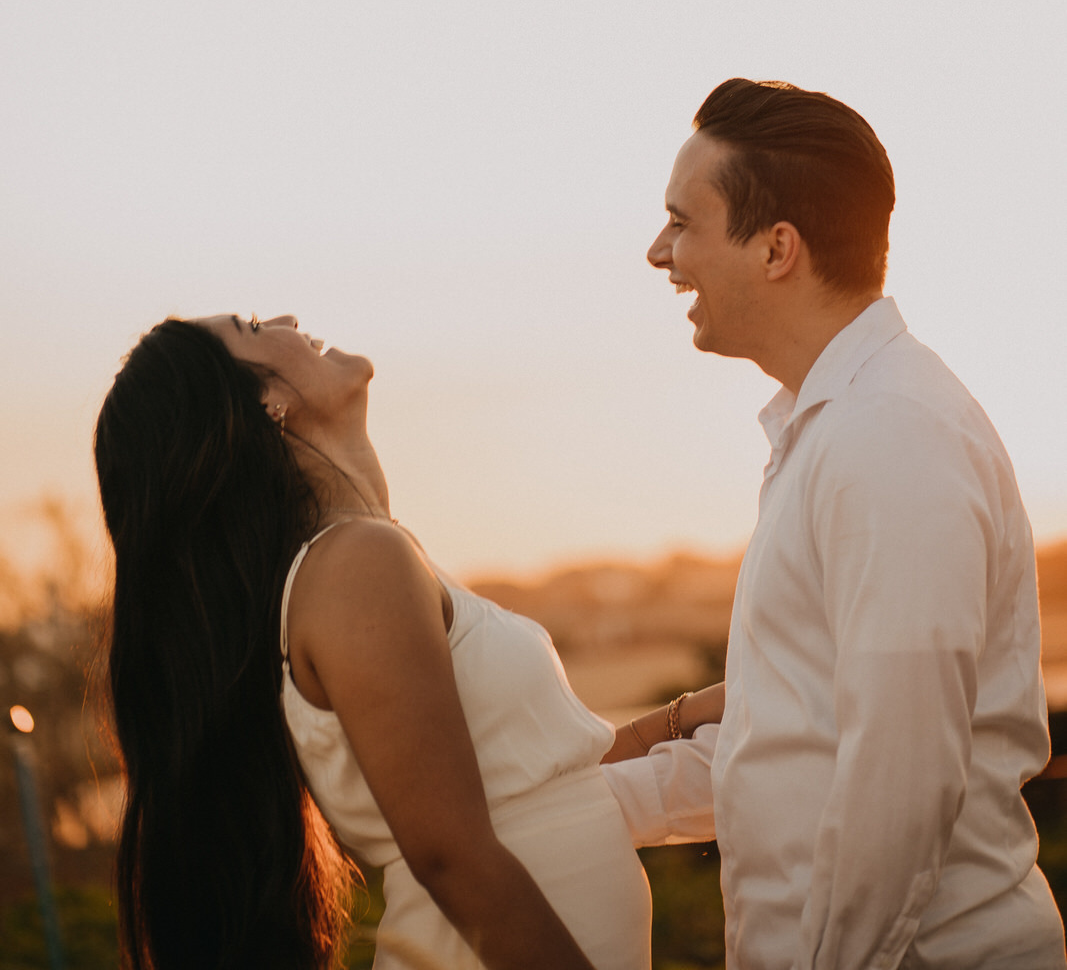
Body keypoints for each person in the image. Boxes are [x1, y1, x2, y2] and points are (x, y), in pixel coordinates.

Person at [93, 310, 723, 970]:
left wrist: (679, 718)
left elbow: (531, 785)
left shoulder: (371, 557)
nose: (285, 318)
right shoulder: (356, 565)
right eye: (252, 327)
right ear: (266, 402)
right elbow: (451, 854)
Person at [607, 77, 1066, 968]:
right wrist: (531, 809)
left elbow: (900, 780)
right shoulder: (831, 428)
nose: (660, 253)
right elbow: (786, 745)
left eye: (682, 223)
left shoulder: (890, 434)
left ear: (776, 248)